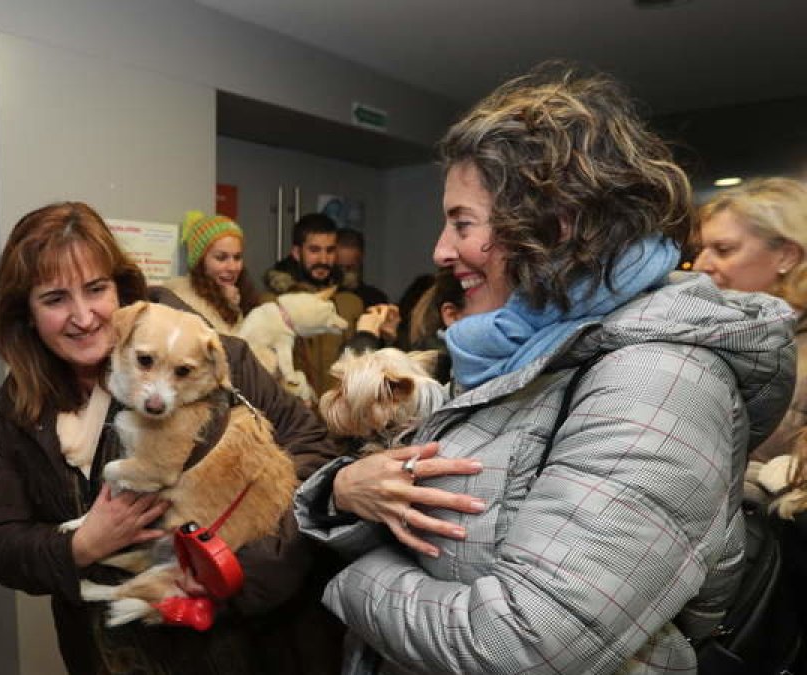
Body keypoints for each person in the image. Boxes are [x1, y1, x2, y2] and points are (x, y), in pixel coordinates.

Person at [294, 63, 797, 674]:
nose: (440, 251)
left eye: (462, 223)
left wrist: (348, 576)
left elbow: (521, 645)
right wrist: (344, 490)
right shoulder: (526, 347)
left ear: (555, 226)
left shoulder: (661, 383)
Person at [0, 201, 344, 675]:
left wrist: (230, 570)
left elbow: (316, 458)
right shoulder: (22, 405)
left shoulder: (215, 356)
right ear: (26, 313)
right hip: (105, 653)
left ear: (121, 289)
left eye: (96, 289)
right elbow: (1, 544)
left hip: (233, 647)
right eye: (54, 299)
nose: (84, 316)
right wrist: (79, 547)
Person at [693, 177, 807, 464]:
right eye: (701, 249)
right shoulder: (708, 334)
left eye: (723, 250)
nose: (700, 266)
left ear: (787, 255)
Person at [263, 213, 364, 394]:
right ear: (296, 252)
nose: (323, 260)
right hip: (292, 414)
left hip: (340, 413)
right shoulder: (274, 304)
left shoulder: (351, 303)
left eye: (330, 250)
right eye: (314, 250)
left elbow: (363, 366)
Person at [160, 210, 260, 334]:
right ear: (200, 262)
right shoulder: (184, 303)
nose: (233, 267)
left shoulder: (239, 295)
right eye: (221, 258)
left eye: (237, 257)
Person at [336, 228, 390, 308]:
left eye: (349, 268)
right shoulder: (321, 299)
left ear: (361, 259)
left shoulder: (376, 299)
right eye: (340, 267)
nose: (344, 273)